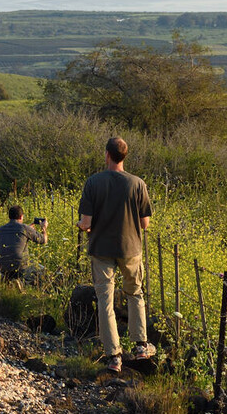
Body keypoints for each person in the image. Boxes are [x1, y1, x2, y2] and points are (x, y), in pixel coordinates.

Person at [77, 137, 155, 373]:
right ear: (125, 156)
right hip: (130, 249)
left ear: (107, 155)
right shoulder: (138, 183)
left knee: (105, 300)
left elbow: (86, 222)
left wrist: (82, 225)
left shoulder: (93, 183)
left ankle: (113, 356)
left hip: (101, 249)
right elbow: (145, 224)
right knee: (135, 294)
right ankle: (141, 345)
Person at [0, 205, 47, 279]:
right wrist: (43, 228)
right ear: (21, 217)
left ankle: (11, 282)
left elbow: (11, 239)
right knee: (42, 270)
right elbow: (44, 240)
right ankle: (26, 285)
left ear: (9, 217)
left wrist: (27, 230)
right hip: (20, 268)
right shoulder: (25, 228)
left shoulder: (0, 230)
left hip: (1, 268)